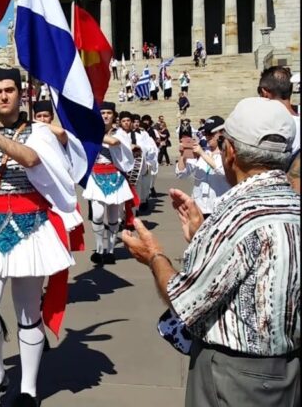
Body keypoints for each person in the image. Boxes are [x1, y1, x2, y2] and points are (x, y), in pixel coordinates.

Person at [121, 97, 299, 407]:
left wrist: (154, 255)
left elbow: (185, 299)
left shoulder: (235, 214)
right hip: (291, 370)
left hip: (234, 376)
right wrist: (203, 236)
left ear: (230, 152)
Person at [0, 67, 84, 407]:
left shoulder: (39, 131)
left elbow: (31, 158)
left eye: (10, 90)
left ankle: (28, 388)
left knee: (27, 314)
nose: (4, 96)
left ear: (21, 94)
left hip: (31, 227)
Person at [82, 103, 134, 265]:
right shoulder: (91, 132)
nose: (105, 115)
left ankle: (110, 250)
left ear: (114, 116)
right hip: (96, 175)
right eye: (102, 112)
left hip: (114, 176)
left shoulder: (120, 134)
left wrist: (89, 135)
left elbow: (114, 143)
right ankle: (99, 249)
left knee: (113, 216)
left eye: (108, 113)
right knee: (97, 214)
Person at [174, 116, 231, 218]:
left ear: (222, 132)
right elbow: (181, 174)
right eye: (205, 133)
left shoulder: (228, 152)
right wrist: (183, 155)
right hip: (199, 206)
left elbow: (223, 172)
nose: (207, 136)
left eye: (211, 133)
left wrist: (202, 154)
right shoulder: (202, 150)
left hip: (219, 208)